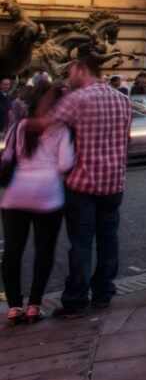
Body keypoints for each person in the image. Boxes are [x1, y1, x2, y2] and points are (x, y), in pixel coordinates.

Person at [27, 54, 132, 319]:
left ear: (82, 69)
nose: (68, 74)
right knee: (109, 239)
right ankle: (103, 293)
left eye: (71, 68)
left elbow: (42, 124)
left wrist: (50, 93)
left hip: (83, 183)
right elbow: (127, 140)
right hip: (114, 182)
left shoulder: (78, 99)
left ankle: (75, 299)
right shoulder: (122, 99)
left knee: (81, 243)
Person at [1, 82, 73, 323]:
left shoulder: (19, 127)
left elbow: (7, 157)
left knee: (13, 251)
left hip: (16, 195)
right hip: (48, 196)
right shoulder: (61, 130)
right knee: (44, 251)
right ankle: (33, 304)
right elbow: (65, 164)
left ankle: (13, 306)